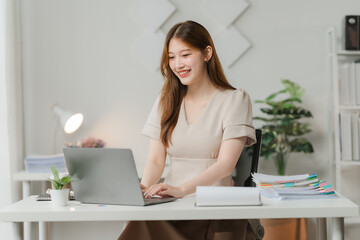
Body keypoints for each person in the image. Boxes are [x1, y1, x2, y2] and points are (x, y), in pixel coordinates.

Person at [118, 20, 257, 240]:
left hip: (214, 210)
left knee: (141, 227)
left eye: (185, 55)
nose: (177, 64)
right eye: (171, 57)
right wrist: (141, 192)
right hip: (171, 207)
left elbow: (225, 165)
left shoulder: (235, 100)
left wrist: (181, 190)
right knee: (139, 218)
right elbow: (155, 161)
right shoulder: (166, 101)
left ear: (206, 53)